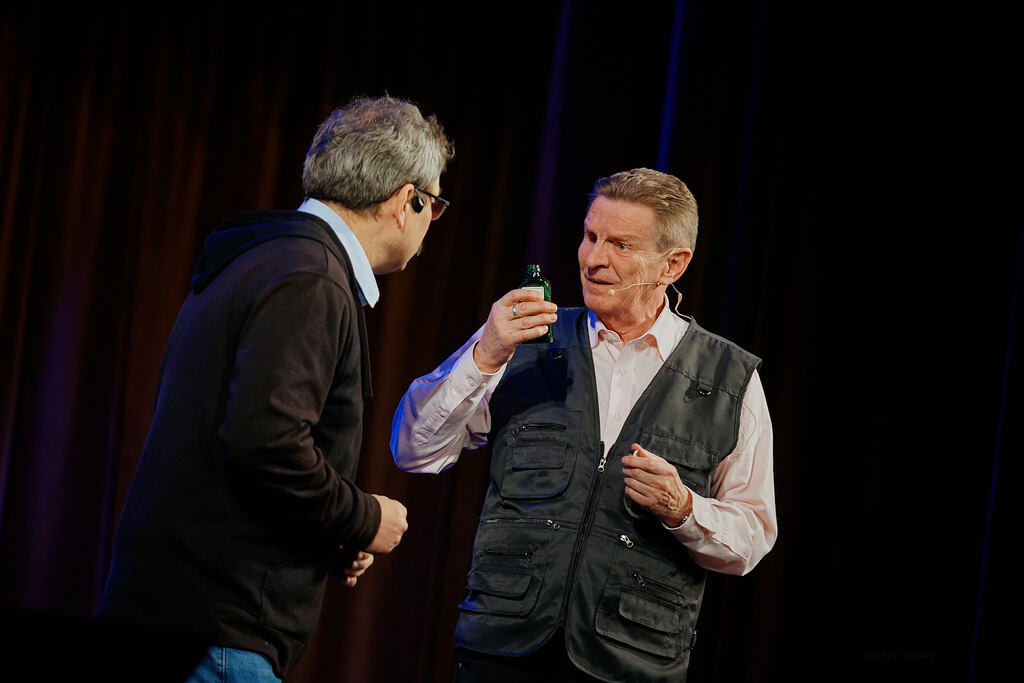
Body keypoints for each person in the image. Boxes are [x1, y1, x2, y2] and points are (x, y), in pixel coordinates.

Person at [100, 95, 454, 682]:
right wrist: (366, 517)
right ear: (405, 200)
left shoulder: (264, 256)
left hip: (173, 614)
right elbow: (265, 444)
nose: (429, 225)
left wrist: (328, 530)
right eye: (434, 205)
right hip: (217, 633)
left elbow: (236, 450)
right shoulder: (311, 278)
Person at [391, 168, 776, 682]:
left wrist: (684, 508)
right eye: (591, 236)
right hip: (502, 654)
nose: (594, 259)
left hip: (631, 664)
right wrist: (484, 354)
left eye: (621, 245)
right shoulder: (523, 340)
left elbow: (752, 537)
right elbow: (414, 450)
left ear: (674, 264)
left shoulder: (729, 380)